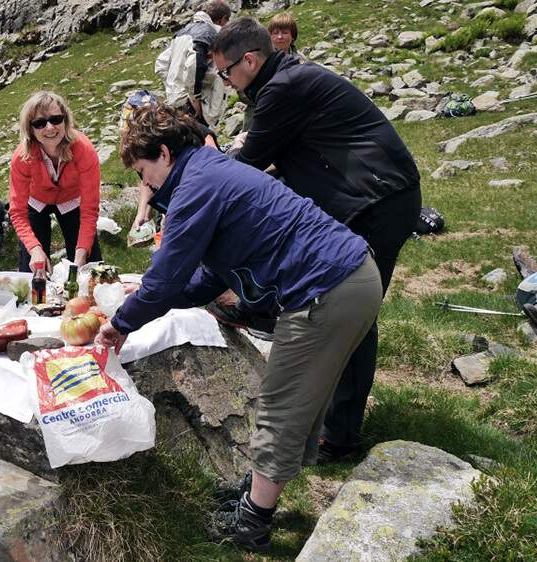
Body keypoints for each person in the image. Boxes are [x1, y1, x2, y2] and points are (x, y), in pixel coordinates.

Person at [95, 105, 382, 550]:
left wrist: (122, 322)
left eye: (142, 171)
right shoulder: (209, 170)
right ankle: (259, 491)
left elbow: (168, 275)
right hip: (351, 277)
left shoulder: (195, 186)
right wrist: (149, 302)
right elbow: (208, 276)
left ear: (164, 154)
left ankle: (253, 522)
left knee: (280, 406)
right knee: (300, 399)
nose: (145, 185)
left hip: (326, 289)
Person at [211, 18, 422, 462]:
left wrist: (203, 172)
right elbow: (275, 162)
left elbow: (250, 163)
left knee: (355, 318)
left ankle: (340, 437)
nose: (226, 84)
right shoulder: (284, 81)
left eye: (225, 73)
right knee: (341, 307)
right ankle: (326, 415)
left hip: (377, 201)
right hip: (369, 196)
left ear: (249, 60)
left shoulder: (282, 88)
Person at [8, 91, 102, 273]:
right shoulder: (21, 157)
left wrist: (81, 255)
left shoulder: (84, 149)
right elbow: (18, 212)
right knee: (33, 267)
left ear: (66, 120)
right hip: (36, 200)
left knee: (89, 267)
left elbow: (90, 210)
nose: (50, 128)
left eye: (56, 119)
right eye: (39, 123)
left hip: (71, 199)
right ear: (30, 129)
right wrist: (35, 249)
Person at [121, 90, 218, 235]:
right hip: (171, 203)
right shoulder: (141, 149)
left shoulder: (192, 132)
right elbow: (148, 181)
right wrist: (143, 213)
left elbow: (214, 168)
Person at [156, 0, 231, 128]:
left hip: (176, 99)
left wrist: (173, 85)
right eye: (227, 21)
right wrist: (194, 98)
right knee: (201, 139)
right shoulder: (212, 34)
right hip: (195, 102)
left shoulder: (182, 32)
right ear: (223, 19)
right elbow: (194, 65)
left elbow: (161, 65)